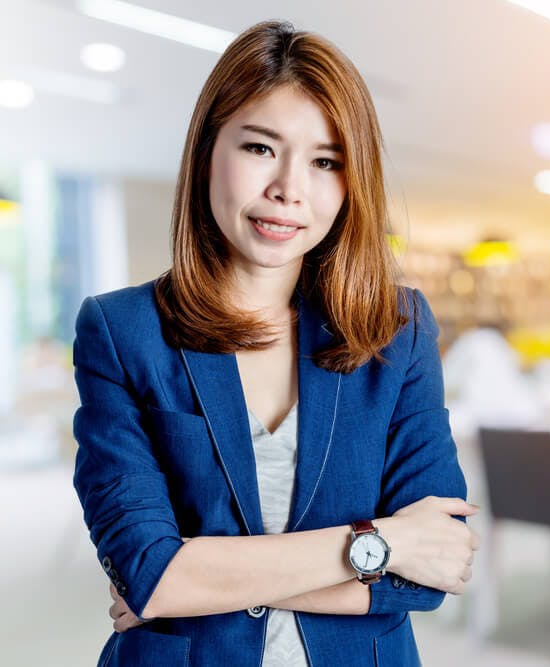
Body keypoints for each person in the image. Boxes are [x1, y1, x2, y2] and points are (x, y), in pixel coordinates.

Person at [72, 21, 477, 667]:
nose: (290, 188)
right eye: (261, 148)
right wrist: (383, 542)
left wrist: (199, 578)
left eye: (325, 161)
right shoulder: (124, 330)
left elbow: (437, 565)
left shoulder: (397, 327)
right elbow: (150, 570)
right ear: (208, 148)